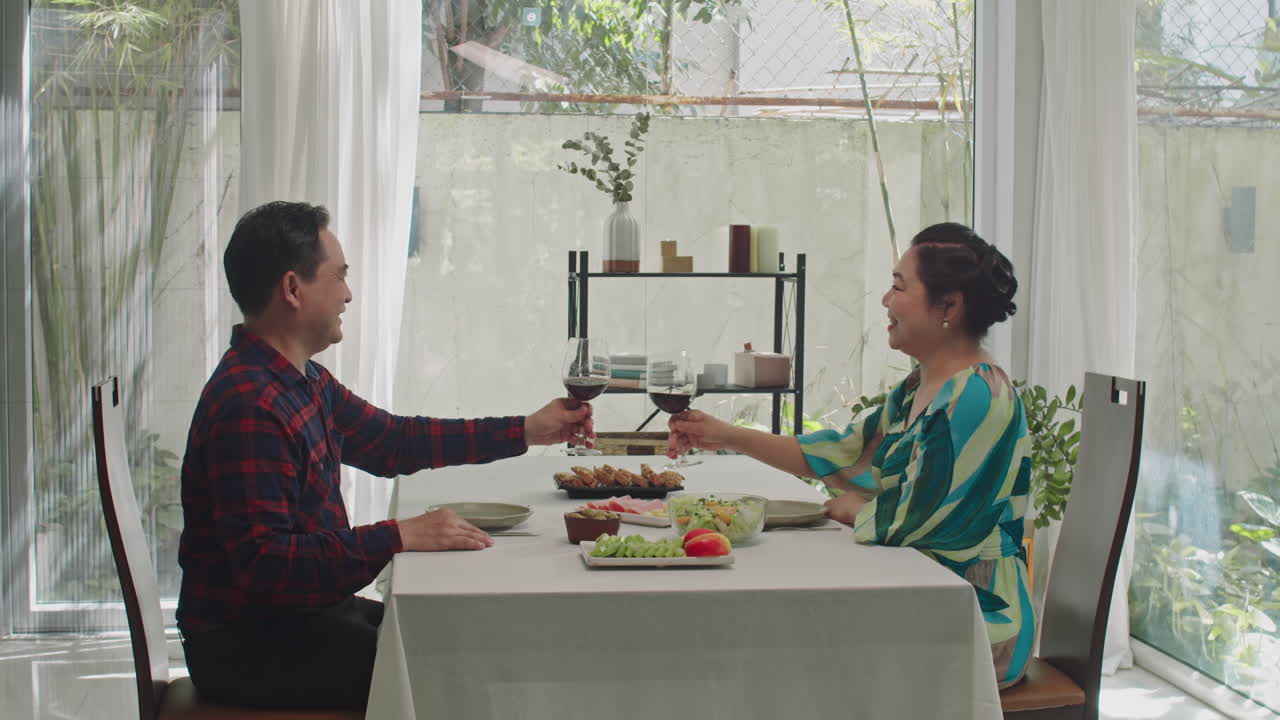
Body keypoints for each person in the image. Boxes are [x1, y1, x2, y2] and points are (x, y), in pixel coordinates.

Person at [177, 201, 593, 710]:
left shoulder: (303, 381)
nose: (348, 294)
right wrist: (398, 535)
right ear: (292, 289)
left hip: (301, 619)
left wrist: (526, 430)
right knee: (452, 667)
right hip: (252, 646)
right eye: (339, 276)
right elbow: (268, 568)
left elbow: (395, 442)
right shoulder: (251, 406)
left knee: (461, 640)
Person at [668, 222, 1034, 689]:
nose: (885, 300)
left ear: (948, 306)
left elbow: (926, 521)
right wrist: (723, 434)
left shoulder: (976, 396)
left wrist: (859, 510)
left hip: (976, 616)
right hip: (923, 590)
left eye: (899, 286)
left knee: (787, 645)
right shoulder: (920, 387)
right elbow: (839, 453)